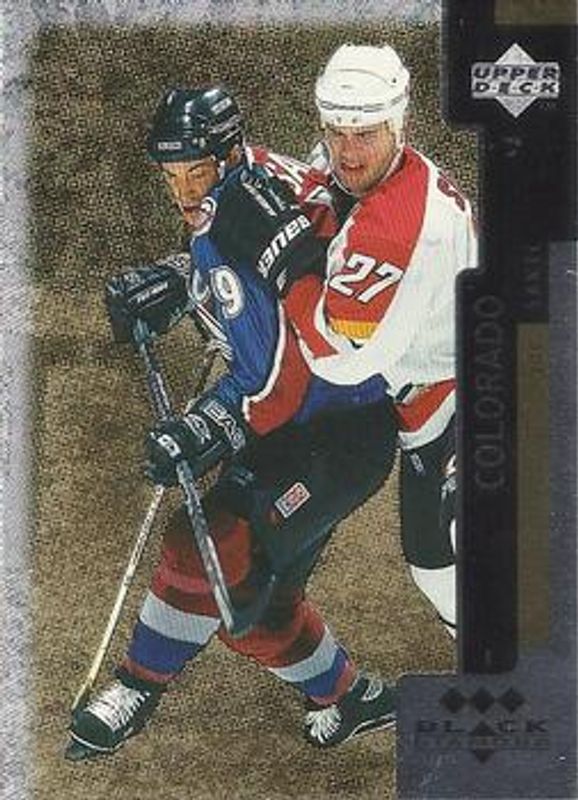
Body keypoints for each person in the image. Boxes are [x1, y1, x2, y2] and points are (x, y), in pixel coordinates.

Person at [65, 85, 399, 761]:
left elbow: (279, 379)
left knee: (206, 545)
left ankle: (135, 687)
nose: (185, 193)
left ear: (228, 154)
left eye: (197, 173)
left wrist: (206, 425)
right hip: (321, 423)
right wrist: (181, 277)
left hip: (337, 435)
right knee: (254, 609)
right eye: (171, 177)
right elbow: (257, 281)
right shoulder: (260, 177)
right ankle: (352, 698)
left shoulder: (232, 214)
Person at [253, 43, 477, 637]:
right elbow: (307, 179)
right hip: (431, 394)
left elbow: (339, 358)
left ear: (400, 124)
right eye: (337, 131)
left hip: (470, 391)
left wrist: (287, 266)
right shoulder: (381, 169)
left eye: (365, 134)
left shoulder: (395, 232)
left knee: (469, 542)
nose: (347, 152)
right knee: (435, 565)